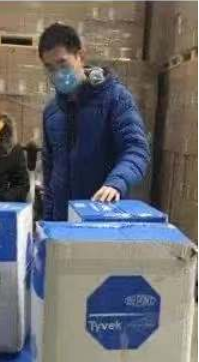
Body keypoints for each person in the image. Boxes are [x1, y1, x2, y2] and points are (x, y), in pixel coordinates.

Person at [39, 23, 151, 221]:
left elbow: (136, 149)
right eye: (50, 68)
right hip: (61, 224)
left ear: (80, 56)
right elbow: (49, 174)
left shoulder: (115, 98)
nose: (58, 74)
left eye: (63, 64)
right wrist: (46, 221)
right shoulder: (52, 113)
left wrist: (116, 183)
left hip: (101, 218)